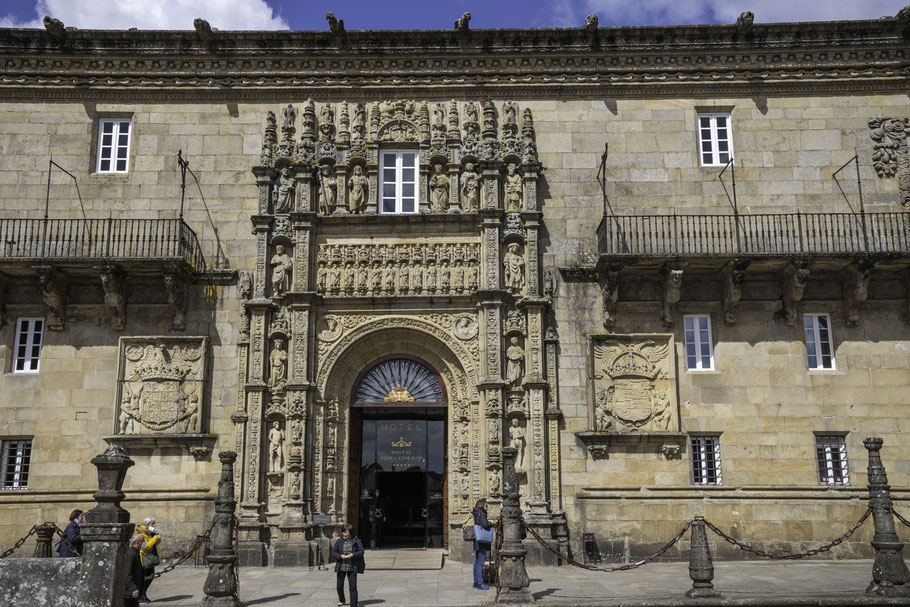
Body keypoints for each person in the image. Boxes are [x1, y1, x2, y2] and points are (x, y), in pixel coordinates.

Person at [331, 523, 365, 607]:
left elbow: (361, 551)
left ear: (350, 532)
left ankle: (353, 604)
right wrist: (339, 556)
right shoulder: (339, 541)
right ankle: (342, 600)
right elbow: (333, 552)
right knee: (339, 586)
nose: (344, 534)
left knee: (353, 587)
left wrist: (352, 555)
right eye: (343, 532)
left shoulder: (356, 540)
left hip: (352, 567)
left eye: (346, 532)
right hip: (341, 567)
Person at [136, 516, 162, 604]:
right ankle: (141, 596)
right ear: (147, 524)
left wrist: (157, 536)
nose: (154, 525)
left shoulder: (150, 533)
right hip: (144, 559)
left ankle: (143, 594)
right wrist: (155, 538)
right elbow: (145, 547)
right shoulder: (141, 533)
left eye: (154, 523)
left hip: (150, 558)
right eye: (152, 523)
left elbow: (156, 543)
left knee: (150, 577)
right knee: (144, 578)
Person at [471, 498, 494, 590]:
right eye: (486, 505)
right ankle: (480, 583)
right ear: (482, 505)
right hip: (482, 541)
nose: (487, 507)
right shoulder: (482, 513)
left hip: (477, 540)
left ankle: (476, 582)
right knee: (480, 561)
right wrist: (491, 523)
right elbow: (484, 525)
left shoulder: (477, 513)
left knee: (477, 561)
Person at [123, 534, 145, 607]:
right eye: (143, 541)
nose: (144, 542)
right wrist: (134, 589)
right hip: (129, 592)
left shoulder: (136, 552)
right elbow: (127, 572)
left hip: (133, 592)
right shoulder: (131, 554)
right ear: (138, 542)